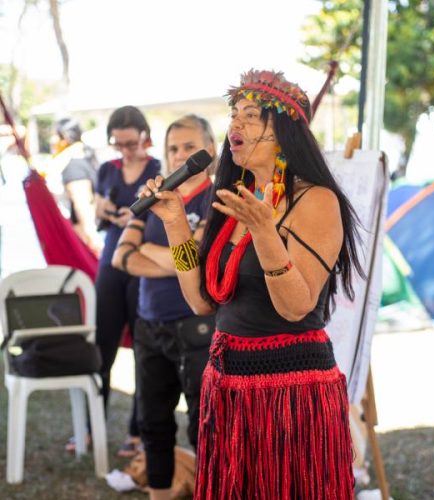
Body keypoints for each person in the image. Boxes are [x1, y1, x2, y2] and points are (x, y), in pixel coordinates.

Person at [139, 69, 364, 499]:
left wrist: (264, 234)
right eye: (234, 115)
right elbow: (203, 301)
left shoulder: (315, 200)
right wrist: (174, 225)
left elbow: (297, 306)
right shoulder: (234, 200)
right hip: (229, 384)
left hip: (293, 391)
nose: (235, 126)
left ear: (282, 132)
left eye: (251, 115)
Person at [112, 114, 216, 499]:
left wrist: (154, 252)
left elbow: (196, 260)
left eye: (190, 147)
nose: (180, 156)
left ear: (210, 150)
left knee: (204, 426)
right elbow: (121, 258)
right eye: (174, 148)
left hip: (196, 326)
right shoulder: (152, 196)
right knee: (154, 424)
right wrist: (174, 256)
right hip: (149, 325)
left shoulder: (216, 199)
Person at [84, 106, 161, 456]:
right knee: (102, 346)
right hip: (110, 264)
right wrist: (118, 212)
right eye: (118, 144)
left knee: (143, 350)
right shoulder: (106, 169)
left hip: (142, 263)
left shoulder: (158, 169)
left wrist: (125, 214)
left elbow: (153, 213)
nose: (125, 150)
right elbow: (98, 208)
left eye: (130, 143)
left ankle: (137, 431)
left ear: (144, 137)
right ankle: (91, 427)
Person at [51, 117, 102, 256]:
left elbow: (83, 205)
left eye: (55, 135)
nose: (52, 140)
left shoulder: (73, 166)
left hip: (85, 238)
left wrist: (92, 240)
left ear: (65, 138)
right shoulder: (82, 158)